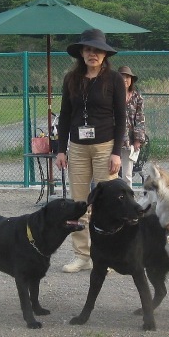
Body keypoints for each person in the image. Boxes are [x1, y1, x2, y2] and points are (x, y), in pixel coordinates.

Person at [55, 29, 126, 272]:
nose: (92, 54)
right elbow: (64, 116)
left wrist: (117, 151)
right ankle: (82, 256)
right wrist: (60, 149)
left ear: (105, 54)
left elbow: (121, 117)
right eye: (88, 49)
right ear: (81, 53)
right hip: (77, 148)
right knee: (79, 203)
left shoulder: (115, 79)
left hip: (106, 146)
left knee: (108, 204)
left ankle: (108, 255)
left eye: (97, 50)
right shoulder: (71, 79)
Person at [117, 65, 147, 184]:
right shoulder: (111, 96)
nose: (125, 79)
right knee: (112, 173)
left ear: (131, 80)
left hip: (130, 140)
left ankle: (128, 200)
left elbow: (140, 119)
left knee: (127, 175)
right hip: (113, 138)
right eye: (122, 77)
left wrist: (138, 140)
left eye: (127, 77)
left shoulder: (137, 97)